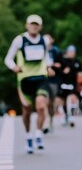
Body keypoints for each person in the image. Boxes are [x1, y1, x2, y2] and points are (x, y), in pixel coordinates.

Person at [4, 15, 54, 153]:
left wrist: (49, 67)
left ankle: (38, 134)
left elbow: (47, 57)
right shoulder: (20, 40)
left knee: (41, 107)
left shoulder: (44, 40)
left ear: (40, 27)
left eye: (37, 24)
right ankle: (28, 137)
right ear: (27, 25)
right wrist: (14, 67)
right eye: (32, 24)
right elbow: (8, 59)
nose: (34, 26)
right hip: (25, 79)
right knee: (26, 110)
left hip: (41, 77)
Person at [57, 45, 82, 127]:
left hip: (73, 84)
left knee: (72, 99)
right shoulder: (63, 61)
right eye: (70, 52)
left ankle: (71, 116)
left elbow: (80, 72)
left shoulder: (77, 62)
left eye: (73, 52)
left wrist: (81, 79)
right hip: (64, 83)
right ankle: (65, 116)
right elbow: (58, 71)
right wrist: (63, 71)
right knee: (64, 101)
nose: (72, 53)